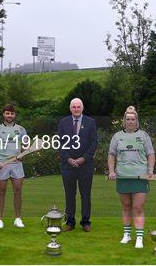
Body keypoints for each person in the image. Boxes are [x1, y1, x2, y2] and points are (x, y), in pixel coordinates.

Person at [108, 106, 155, 248]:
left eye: (133, 119)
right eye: (128, 119)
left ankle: (139, 238)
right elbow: (111, 154)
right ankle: (127, 235)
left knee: (138, 207)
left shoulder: (144, 135)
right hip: (123, 176)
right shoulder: (117, 136)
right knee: (126, 206)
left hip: (140, 176)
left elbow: (151, 154)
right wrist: (111, 171)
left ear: (137, 121)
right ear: (124, 120)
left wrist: (150, 170)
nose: (130, 121)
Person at [57, 98, 97, 232]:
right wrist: (68, 159)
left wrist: (83, 159)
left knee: (85, 194)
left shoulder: (90, 122)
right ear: (70, 108)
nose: (76, 109)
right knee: (69, 195)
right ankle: (70, 221)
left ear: (82, 108)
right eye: (73, 107)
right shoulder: (63, 122)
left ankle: (85, 222)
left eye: (78, 106)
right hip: (67, 166)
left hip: (85, 166)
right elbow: (60, 143)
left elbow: (93, 143)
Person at [0, 104, 27, 229]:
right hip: (2, 164)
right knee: (1, 191)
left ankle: (18, 219)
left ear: (15, 115)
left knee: (18, 191)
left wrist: (23, 154)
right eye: (7, 113)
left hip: (16, 165)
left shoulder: (21, 130)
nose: (10, 115)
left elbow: (26, 148)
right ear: (3, 114)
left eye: (12, 113)